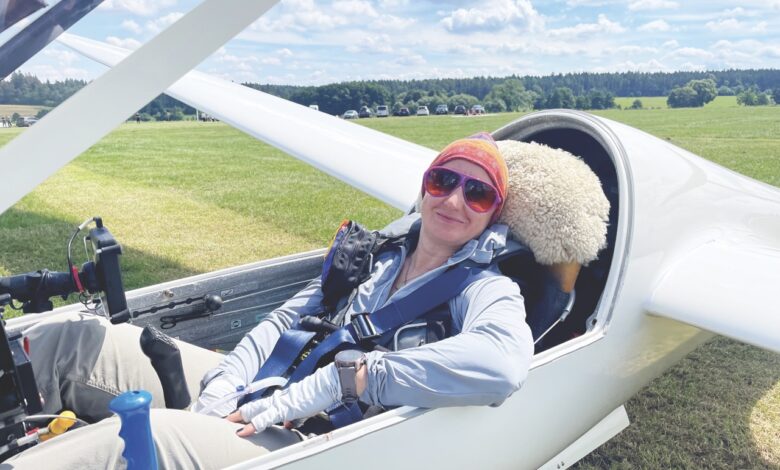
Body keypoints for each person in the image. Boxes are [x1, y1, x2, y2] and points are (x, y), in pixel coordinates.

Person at [5, 132, 533, 469]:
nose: (455, 199)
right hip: (262, 389)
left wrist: (341, 381)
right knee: (77, 342)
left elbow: (504, 365)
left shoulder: (484, 288)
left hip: (321, 438)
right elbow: (286, 318)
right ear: (424, 188)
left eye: (478, 193)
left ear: (493, 215)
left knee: (151, 436)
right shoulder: (376, 254)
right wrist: (225, 384)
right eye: (443, 180)